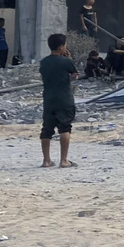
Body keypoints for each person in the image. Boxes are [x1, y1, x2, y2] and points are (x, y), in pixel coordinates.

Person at [39, 32, 79, 168]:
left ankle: (46, 160)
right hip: (64, 99)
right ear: (61, 47)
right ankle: (64, 160)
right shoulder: (66, 61)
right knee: (65, 128)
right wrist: (68, 59)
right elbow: (74, 75)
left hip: (49, 99)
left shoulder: (43, 62)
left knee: (46, 129)